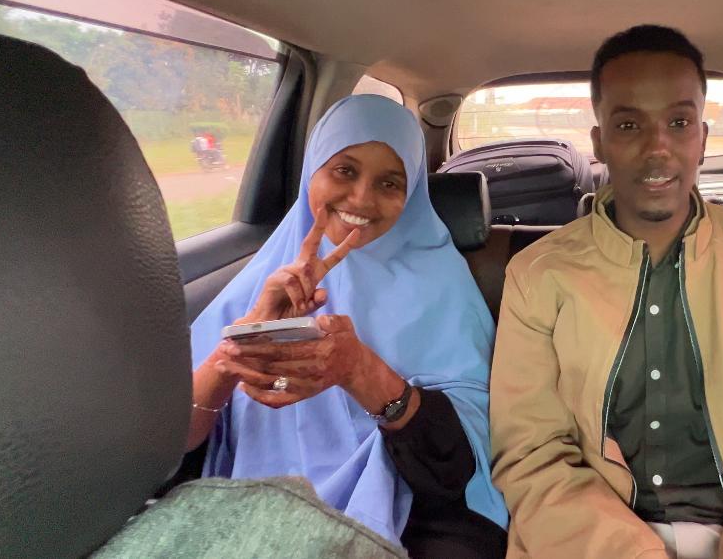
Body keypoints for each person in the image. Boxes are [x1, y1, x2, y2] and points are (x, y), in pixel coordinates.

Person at [490, 25, 723, 558]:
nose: (657, 147)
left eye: (679, 122)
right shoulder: (537, 275)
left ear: (703, 139)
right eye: (629, 124)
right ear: (600, 143)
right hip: (588, 542)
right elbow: (532, 454)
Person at [185, 94, 508, 558]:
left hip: (408, 513)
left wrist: (360, 371)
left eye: (389, 183)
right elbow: (171, 445)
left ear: (411, 193)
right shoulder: (260, 282)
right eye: (345, 170)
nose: (361, 199)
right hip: (253, 508)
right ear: (311, 170)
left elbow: (463, 462)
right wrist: (234, 354)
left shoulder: (444, 286)